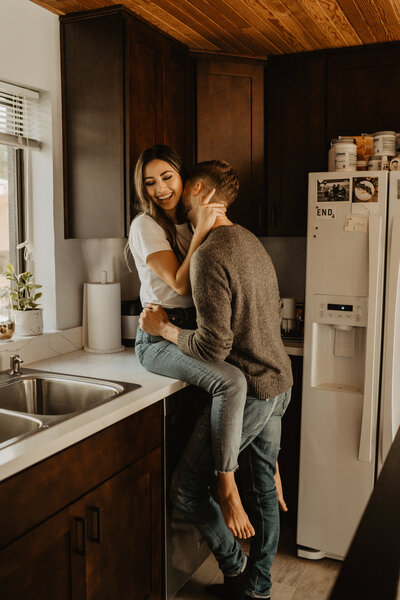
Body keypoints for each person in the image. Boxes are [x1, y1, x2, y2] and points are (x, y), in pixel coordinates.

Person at [139, 159, 293, 600]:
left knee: (187, 491)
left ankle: (236, 566)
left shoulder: (209, 255)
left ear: (202, 192)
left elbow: (212, 350)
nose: (173, 191)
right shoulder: (249, 240)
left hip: (254, 393)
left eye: (182, 184)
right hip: (279, 382)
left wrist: (165, 331)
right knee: (265, 490)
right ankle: (257, 589)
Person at [129, 144, 255, 539]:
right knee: (232, 381)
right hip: (159, 334)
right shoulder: (145, 226)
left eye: (167, 177)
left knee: (250, 378)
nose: (160, 188)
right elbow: (180, 283)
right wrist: (203, 227)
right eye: (150, 182)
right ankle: (226, 483)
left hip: (195, 330)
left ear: (185, 179)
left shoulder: (186, 221)